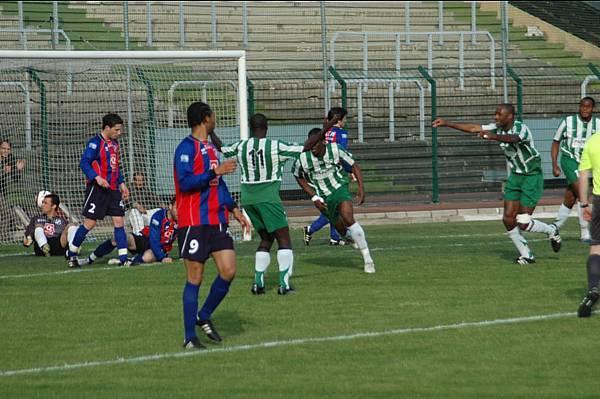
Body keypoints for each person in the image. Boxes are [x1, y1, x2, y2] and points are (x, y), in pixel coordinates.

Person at [209, 113, 337, 295]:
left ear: (251, 128)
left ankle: (257, 282)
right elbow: (307, 146)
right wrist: (326, 127)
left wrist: (211, 131)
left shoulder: (242, 146)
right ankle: (284, 285)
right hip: (268, 196)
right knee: (284, 239)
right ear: (266, 127)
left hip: (248, 198)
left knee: (266, 239)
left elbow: (221, 148)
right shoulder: (275, 146)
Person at [432, 104, 562, 264]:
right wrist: (447, 123)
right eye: (495, 114)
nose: (496, 117)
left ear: (510, 116)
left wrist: (492, 137)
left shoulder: (521, 128)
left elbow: (514, 139)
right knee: (508, 219)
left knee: (523, 222)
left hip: (531, 177)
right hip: (515, 176)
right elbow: (474, 128)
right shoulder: (497, 128)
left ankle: (551, 230)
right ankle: (527, 255)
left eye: (499, 114)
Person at [175, 101, 250, 350]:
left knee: (228, 270)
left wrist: (235, 210)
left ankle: (203, 314)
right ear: (206, 118)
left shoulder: (209, 148)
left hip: (217, 221)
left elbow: (219, 183)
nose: (216, 118)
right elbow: (185, 184)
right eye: (214, 114)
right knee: (195, 277)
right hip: (194, 222)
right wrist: (214, 171)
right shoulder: (186, 148)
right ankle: (189, 337)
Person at [292, 127, 375, 273]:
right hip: (323, 197)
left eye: (315, 145)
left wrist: (361, 188)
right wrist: (313, 196)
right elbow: (297, 175)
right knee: (341, 229)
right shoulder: (303, 158)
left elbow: (354, 165)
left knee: (348, 218)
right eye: (310, 146)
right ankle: (348, 237)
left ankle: (368, 260)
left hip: (339, 188)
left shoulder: (335, 149)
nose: (312, 149)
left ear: (323, 142)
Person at [66, 113, 130, 268]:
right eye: (116, 130)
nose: (119, 133)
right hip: (97, 189)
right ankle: (72, 255)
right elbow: (84, 163)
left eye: (120, 130)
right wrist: (97, 178)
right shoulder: (95, 143)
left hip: (113, 189)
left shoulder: (115, 144)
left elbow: (115, 167)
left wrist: (122, 183)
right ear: (107, 128)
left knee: (119, 221)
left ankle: (124, 259)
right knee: (90, 223)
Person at [551, 97, 599, 242]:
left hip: (586, 163)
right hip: (569, 160)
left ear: (593, 108)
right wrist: (554, 163)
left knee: (571, 196)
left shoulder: (598, 124)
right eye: (582, 106)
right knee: (581, 191)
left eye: (588, 107)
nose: (585, 109)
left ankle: (554, 227)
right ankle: (585, 232)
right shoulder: (568, 121)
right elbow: (556, 142)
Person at [303, 107, 352, 246]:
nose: (345, 122)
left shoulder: (325, 132)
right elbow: (341, 153)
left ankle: (334, 238)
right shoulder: (341, 133)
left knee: (333, 205)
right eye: (345, 119)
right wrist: (350, 170)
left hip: (322, 171)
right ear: (339, 119)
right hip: (336, 173)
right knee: (334, 207)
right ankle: (310, 229)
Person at [81, 196, 177, 266]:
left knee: (148, 257)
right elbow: (153, 240)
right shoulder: (159, 215)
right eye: (177, 207)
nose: (179, 211)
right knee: (119, 238)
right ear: (170, 206)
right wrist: (162, 258)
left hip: (161, 248)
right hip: (144, 239)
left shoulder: (183, 220)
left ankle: (128, 261)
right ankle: (90, 259)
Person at [576, 130, 600, 317]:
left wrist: (584, 204)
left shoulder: (593, 141)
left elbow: (583, 175)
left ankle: (593, 289)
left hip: (599, 200)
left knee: (596, 248)